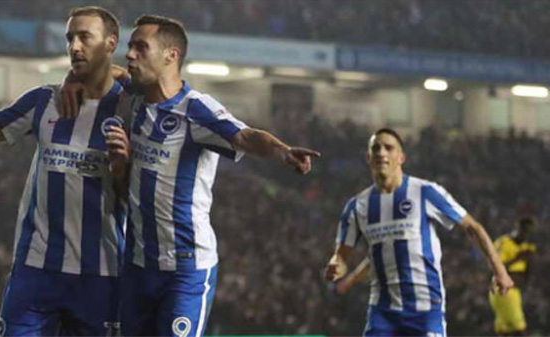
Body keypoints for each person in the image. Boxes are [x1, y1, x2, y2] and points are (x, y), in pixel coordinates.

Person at [96, 14, 321, 337]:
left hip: (185, 270)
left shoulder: (196, 109)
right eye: (130, 47)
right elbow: (110, 73)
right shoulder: (134, 95)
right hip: (138, 264)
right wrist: (76, 81)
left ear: (171, 55)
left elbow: (244, 136)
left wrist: (282, 151)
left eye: (140, 47)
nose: (130, 54)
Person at [0, 7, 126, 336]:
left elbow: (161, 86)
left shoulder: (131, 108)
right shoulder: (45, 100)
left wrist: (110, 74)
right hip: (36, 269)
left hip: (102, 275)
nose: (74, 46)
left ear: (110, 43)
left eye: (84, 37)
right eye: (70, 38)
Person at [324, 128, 513, 337]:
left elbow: (473, 228)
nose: (381, 153)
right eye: (376, 148)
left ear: (401, 157)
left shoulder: (424, 192)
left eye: (389, 147)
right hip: (382, 312)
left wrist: (500, 272)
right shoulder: (357, 206)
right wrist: (337, 265)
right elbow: (342, 255)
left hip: (425, 309)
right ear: (368, 158)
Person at [489, 217, 537, 336]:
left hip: (515, 292)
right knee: (520, 329)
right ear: (517, 228)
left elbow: (528, 270)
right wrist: (518, 257)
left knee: (504, 331)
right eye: (525, 231)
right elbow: (496, 267)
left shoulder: (528, 247)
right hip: (504, 291)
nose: (527, 234)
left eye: (530, 232)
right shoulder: (503, 242)